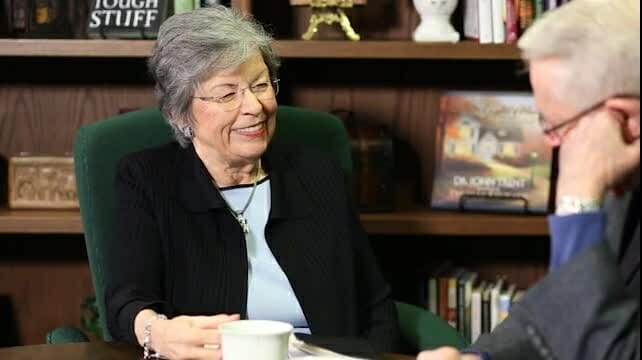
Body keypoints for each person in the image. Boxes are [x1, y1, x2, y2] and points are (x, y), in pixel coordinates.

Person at [104, 6, 399, 360]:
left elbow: (376, 304)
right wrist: (158, 332)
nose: (255, 107)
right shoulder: (147, 180)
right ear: (181, 113)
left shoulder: (317, 173)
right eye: (228, 94)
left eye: (260, 85)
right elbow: (125, 302)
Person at [418, 0, 640, 359]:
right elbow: (563, 301)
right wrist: (481, 358)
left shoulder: (598, 175)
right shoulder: (624, 168)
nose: (550, 144)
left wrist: (577, 202)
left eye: (556, 127)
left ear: (623, 120)